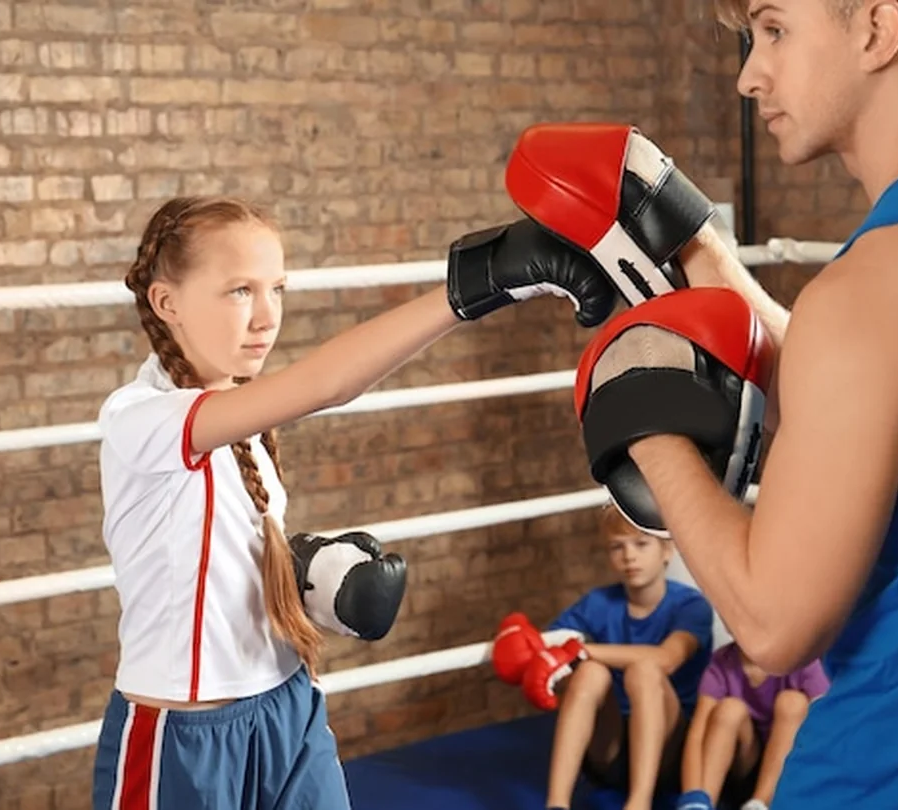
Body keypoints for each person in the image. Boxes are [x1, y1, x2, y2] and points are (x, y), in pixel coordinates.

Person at [500, 0, 898, 806]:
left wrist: (639, 416)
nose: (749, 74)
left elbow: (774, 628)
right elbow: (886, 400)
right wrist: (697, 248)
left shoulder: (869, 297)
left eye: (775, 30)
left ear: (875, 30)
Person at [89, 196, 623, 809]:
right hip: (184, 738)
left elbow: (213, 563)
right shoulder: (141, 419)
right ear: (167, 303)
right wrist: (479, 284)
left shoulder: (241, 419)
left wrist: (308, 583)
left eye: (277, 289)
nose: (266, 317)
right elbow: (327, 384)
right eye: (239, 291)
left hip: (287, 705)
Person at [493, 506, 714, 810]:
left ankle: (639, 803)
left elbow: (667, 658)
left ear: (667, 550)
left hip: (669, 752)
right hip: (607, 751)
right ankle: (557, 803)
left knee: (644, 672)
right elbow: (550, 650)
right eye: (617, 546)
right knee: (590, 673)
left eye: (641, 544)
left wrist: (583, 651)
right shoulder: (598, 603)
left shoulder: (691, 606)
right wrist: (526, 647)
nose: (629, 556)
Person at [678, 643, 829, 810]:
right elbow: (697, 735)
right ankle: (703, 803)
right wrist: (692, 794)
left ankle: (760, 804)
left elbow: (828, 725)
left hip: (789, 769)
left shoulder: (801, 657)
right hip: (744, 766)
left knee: (793, 702)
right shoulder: (722, 662)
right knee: (729, 710)